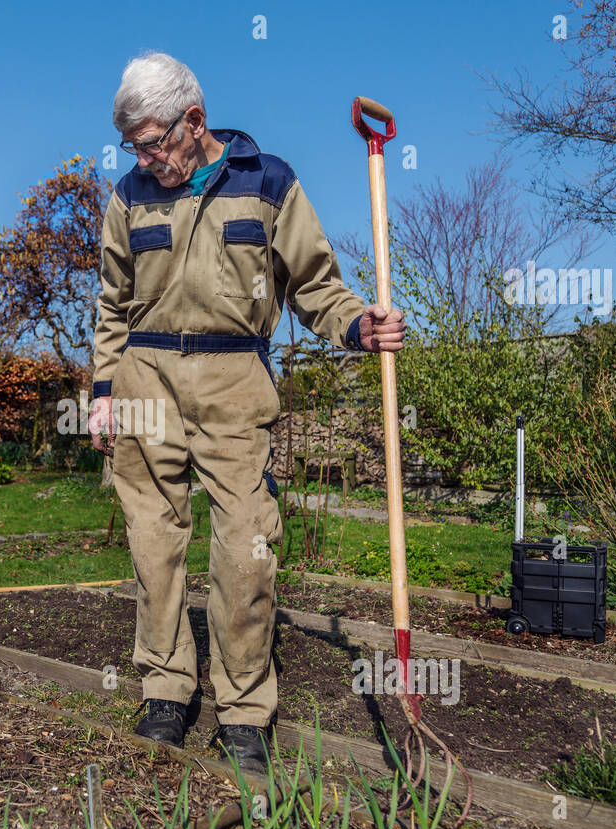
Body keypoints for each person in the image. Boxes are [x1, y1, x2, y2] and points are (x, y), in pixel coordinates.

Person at [87, 52, 407, 770]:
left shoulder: (268, 182)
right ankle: (166, 689)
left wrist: (360, 327)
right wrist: (104, 392)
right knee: (152, 540)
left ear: (193, 122)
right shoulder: (129, 196)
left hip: (234, 381)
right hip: (145, 377)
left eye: (152, 143)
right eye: (134, 147)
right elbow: (111, 305)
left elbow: (317, 286)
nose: (144, 159)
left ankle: (244, 710)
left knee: (246, 547)